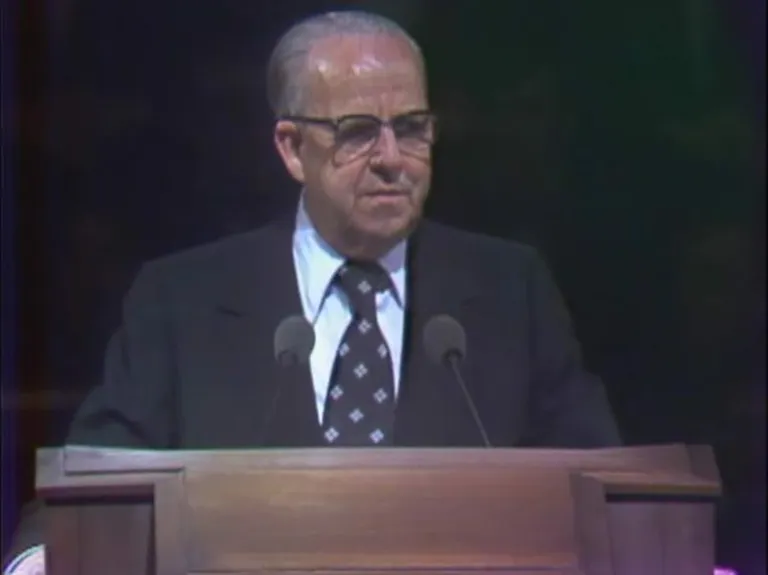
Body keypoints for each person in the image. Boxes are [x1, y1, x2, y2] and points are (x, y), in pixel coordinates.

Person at [4, 10, 620, 574]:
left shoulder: (509, 290)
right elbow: (87, 491)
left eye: (411, 128)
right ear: (293, 148)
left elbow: (604, 492)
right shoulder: (182, 300)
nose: (392, 159)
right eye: (358, 132)